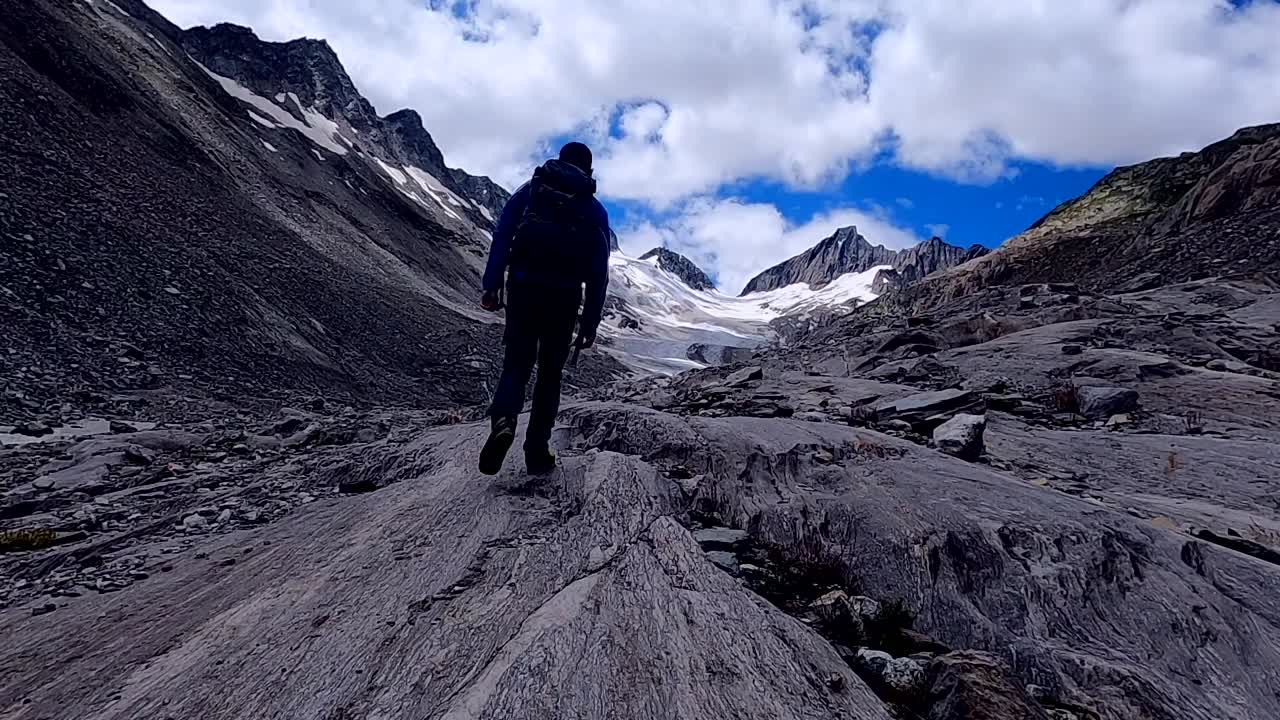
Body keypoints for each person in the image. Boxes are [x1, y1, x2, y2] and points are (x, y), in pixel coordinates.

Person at [477, 141, 611, 475]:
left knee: (516, 365)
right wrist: (590, 323)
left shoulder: (531, 191)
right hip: (563, 297)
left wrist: (491, 283)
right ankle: (537, 451)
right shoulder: (593, 209)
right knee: (550, 376)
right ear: (589, 171)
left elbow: (503, 232)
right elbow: (599, 273)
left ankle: (504, 421)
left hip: (522, 287)